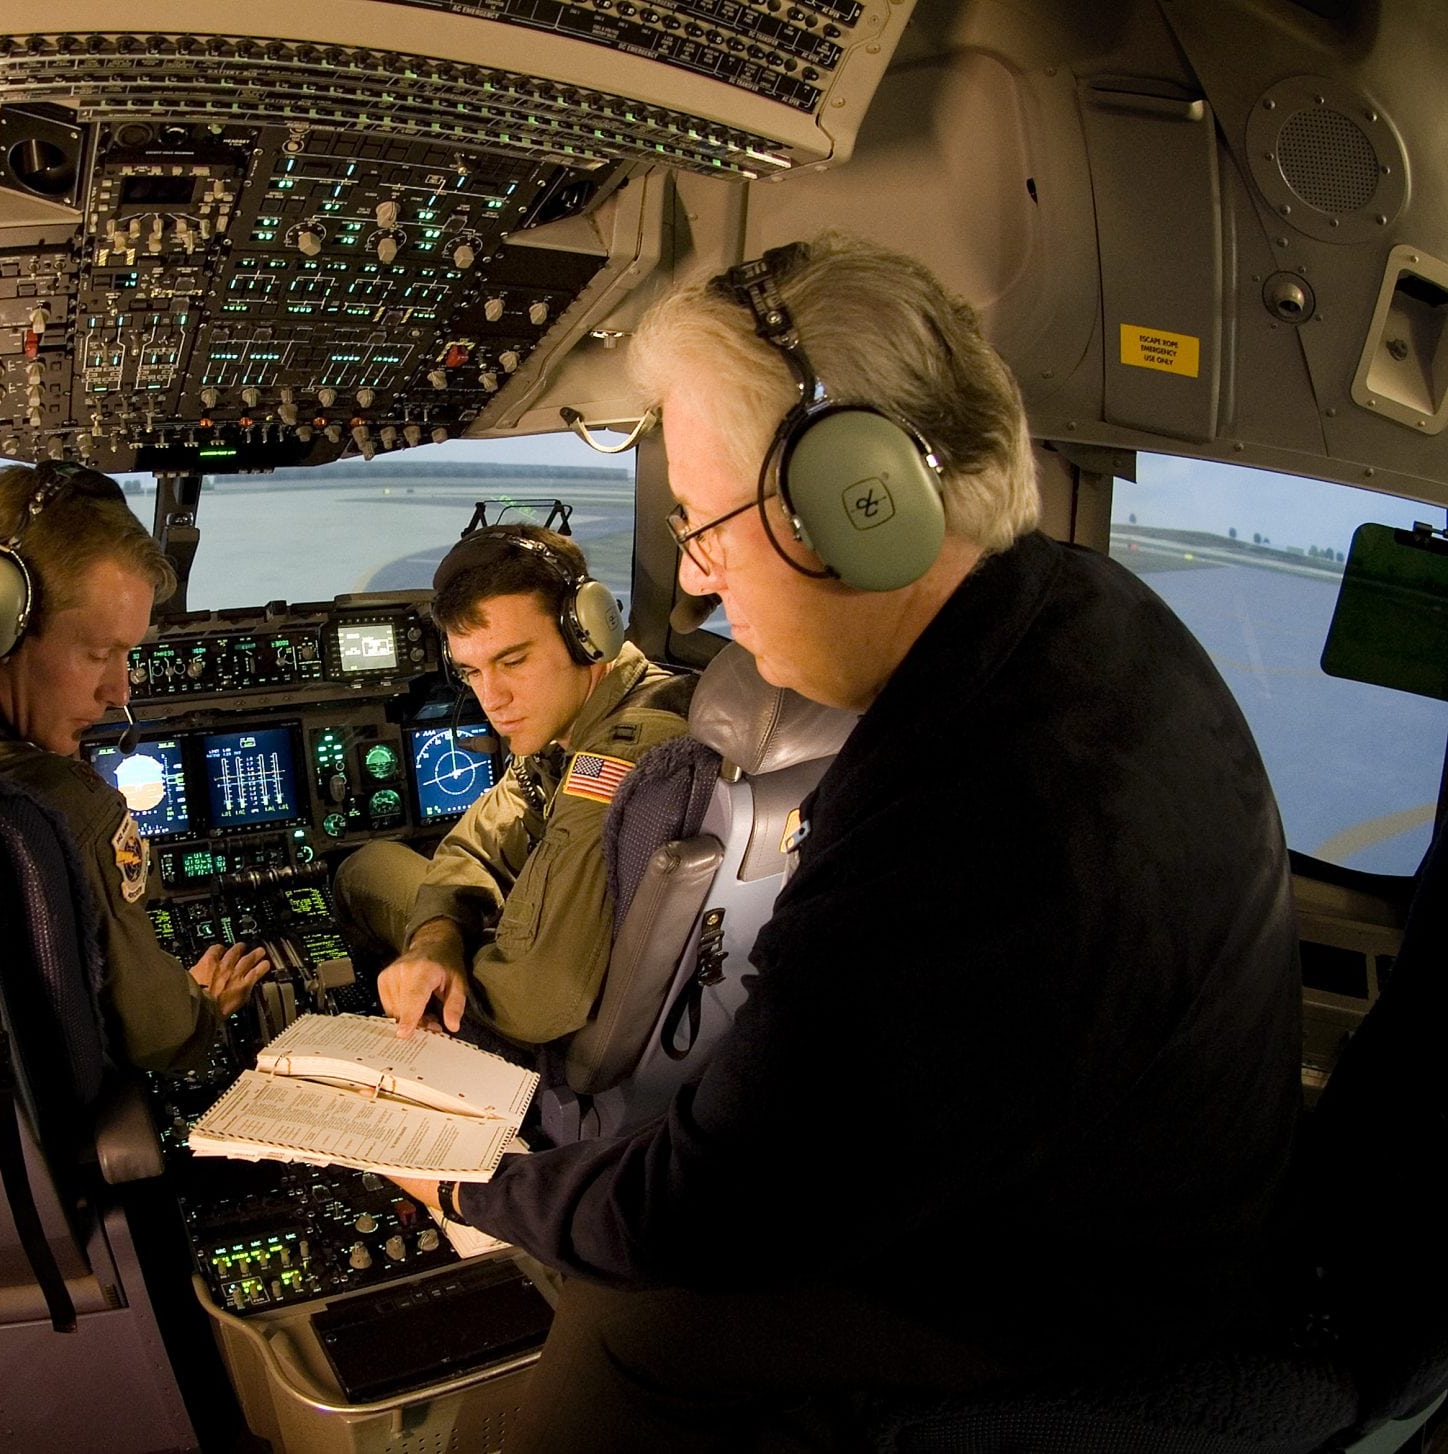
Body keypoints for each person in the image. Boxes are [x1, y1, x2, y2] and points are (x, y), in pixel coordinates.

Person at [389, 234, 1302, 1450]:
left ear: (854, 498)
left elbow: (712, 1207)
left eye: (706, 529)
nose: (702, 590)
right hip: (1150, 1212)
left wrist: (467, 1184)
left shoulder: (975, 806)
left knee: (631, 1324)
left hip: (1095, 1299)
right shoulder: (1081, 616)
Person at [0, 462, 268, 1071]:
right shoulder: (58, 804)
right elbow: (161, 1036)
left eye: (129, 655)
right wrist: (204, 1009)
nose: (119, 690)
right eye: (97, 653)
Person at [335, 525, 691, 1050]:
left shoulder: (616, 760)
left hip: (551, 1034)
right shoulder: (567, 733)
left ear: (590, 633)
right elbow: (472, 843)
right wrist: (436, 941)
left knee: (364, 869)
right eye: (471, 672)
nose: (492, 698)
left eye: (513, 661)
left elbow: (539, 997)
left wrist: (443, 961)